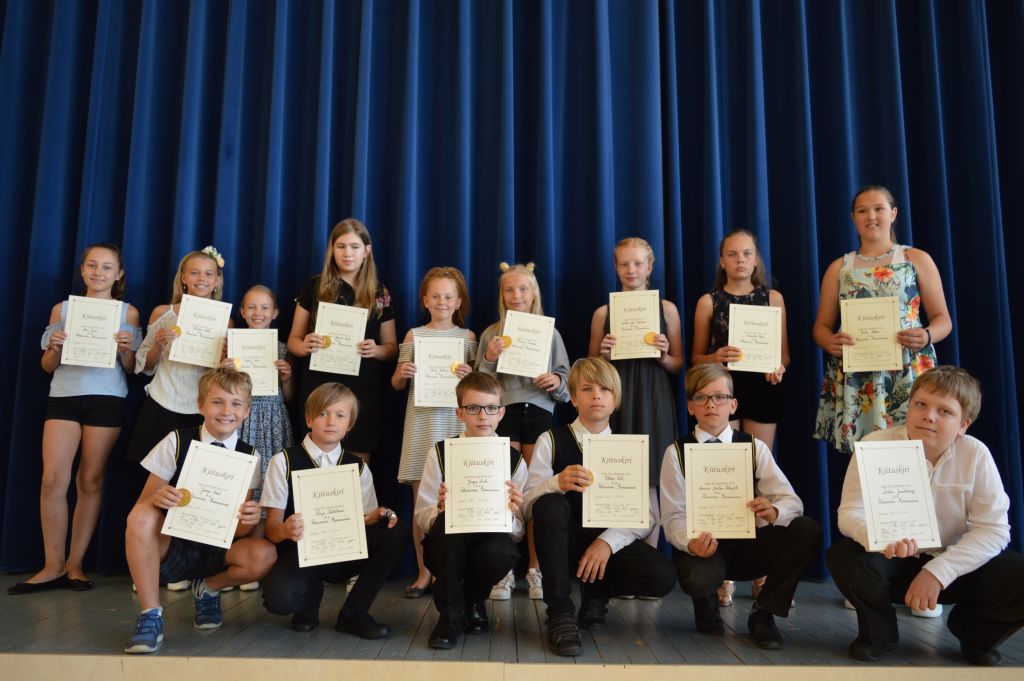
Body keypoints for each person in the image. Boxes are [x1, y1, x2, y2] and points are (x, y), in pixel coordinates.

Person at [828, 366, 1024, 665]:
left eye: (944, 411)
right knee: (844, 556)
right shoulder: (874, 445)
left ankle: (973, 632)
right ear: (909, 407)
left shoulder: (976, 455)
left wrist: (938, 572)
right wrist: (877, 538)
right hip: (893, 558)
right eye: (921, 404)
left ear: (963, 425)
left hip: (954, 566)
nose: (929, 416)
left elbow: (994, 530)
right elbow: (849, 512)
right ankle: (879, 633)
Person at [9, 244, 141, 595]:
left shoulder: (128, 313)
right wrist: (53, 347)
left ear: (119, 273)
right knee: (52, 479)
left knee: (90, 480)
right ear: (82, 270)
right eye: (92, 265)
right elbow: (46, 366)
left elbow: (131, 369)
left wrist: (125, 350)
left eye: (107, 267)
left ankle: (75, 565)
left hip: (107, 399)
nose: (99, 272)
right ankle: (52, 565)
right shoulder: (63, 308)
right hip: (64, 397)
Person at [660, 363, 821, 650]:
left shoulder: (754, 447)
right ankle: (706, 603)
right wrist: (691, 543)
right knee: (698, 577)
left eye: (720, 397)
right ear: (690, 407)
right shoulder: (676, 453)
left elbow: (791, 501)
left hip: (747, 546)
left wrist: (775, 511)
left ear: (733, 405)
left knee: (807, 530)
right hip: (703, 548)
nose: (711, 404)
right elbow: (672, 517)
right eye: (701, 397)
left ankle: (764, 613)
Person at [523, 357, 676, 657]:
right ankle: (560, 613)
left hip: (606, 545)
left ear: (615, 399)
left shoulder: (629, 448)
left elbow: (646, 516)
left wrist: (607, 542)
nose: (596, 395)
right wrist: (555, 483)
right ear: (573, 398)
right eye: (587, 389)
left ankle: (597, 591)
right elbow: (527, 507)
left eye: (605, 389)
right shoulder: (550, 440)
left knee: (662, 575)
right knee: (548, 504)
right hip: (562, 544)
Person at [123, 367, 276, 653]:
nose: (226, 411)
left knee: (263, 553)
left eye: (236, 403)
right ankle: (150, 614)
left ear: (247, 411)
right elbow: (141, 506)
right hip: (173, 545)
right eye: (217, 402)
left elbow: (239, 531)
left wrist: (250, 517)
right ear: (200, 405)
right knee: (141, 516)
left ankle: (208, 588)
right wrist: (159, 497)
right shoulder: (176, 440)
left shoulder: (250, 455)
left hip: (218, 549)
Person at [690, 229, 790, 605]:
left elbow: (785, 355)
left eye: (746, 253)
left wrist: (778, 367)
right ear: (722, 261)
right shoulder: (708, 302)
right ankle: (726, 572)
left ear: (755, 258)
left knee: (759, 481)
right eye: (732, 254)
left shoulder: (773, 298)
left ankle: (761, 572)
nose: (740, 260)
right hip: (722, 393)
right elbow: (695, 358)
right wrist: (715, 357)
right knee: (723, 481)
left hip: (763, 390)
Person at [261, 383, 407, 637]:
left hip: (342, 553)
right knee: (279, 600)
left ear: (350, 424)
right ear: (308, 419)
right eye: (323, 413)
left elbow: (363, 521)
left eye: (340, 415)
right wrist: (285, 530)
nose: (331, 422)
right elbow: (271, 530)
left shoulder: (358, 467)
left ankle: (354, 614)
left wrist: (377, 516)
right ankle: (310, 596)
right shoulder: (283, 461)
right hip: (301, 554)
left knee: (395, 530)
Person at [813, 185, 951, 453]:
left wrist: (926, 335)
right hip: (857, 376)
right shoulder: (839, 268)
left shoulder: (915, 259)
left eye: (879, 209)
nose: (871, 216)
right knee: (866, 457)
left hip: (908, 371)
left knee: (915, 450)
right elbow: (821, 327)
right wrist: (829, 341)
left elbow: (943, 320)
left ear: (893, 213)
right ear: (853, 218)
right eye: (862, 211)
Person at [477, 262, 570, 601]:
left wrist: (555, 381)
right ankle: (503, 571)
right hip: (506, 413)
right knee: (504, 489)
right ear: (502, 296)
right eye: (509, 290)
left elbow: (566, 387)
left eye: (523, 289)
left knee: (535, 492)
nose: (516, 295)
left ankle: (535, 569)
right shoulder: (491, 334)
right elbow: (480, 383)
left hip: (540, 413)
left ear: (534, 295)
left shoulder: (551, 333)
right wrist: (490, 357)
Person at [414, 372, 526, 649]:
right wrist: (440, 508)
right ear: (459, 413)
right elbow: (422, 517)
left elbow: (518, 533)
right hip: (446, 544)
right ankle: (449, 619)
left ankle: (472, 600)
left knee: (502, 551)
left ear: (501, 413)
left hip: (488, 544)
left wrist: (512, 512)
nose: (483, 416)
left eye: (491, 408)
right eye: (473, 408)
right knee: (448, 527)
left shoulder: (514, 460)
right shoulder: (441, 452)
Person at [588, 237, 683, 549]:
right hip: (617, 398)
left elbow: (678, 364)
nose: (631, 269)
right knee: (618, 476)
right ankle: (618, 555)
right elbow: (590, 368)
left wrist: (664, 356)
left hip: (654, 397)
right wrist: (603, 355)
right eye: (624, 263)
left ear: (650, 267)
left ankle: (649, 558)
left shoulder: (667, 310)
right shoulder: (603, 313)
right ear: (616, 267)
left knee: (652, 477)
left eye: (638, 263)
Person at [392, 267, 478, 598]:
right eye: (436, 296)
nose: (442, 301)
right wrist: (403, 372)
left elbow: (479, 387)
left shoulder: (468, 338)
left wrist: (470, 374)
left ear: (458, 302)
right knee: (422, 505)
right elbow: (396, 384)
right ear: (425, 300)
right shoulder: (413, 335)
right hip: (421, 426)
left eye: (448, 296)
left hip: (455, 426)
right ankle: (424, 572)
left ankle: (450, 573)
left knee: (458, 501)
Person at [288, 218, 397, 461]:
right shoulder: (315, 287)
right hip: (319, 383)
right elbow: (293, 340)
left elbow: (392, 348)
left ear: (366, 251)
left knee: (357, 458)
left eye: (354, 247)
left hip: (362, 386)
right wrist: (304, 346)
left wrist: (376, 350)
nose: (348, 253)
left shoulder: (379, 292)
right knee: (314, 455)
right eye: (341, 246)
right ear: (332, 250)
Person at [126, 246, 229, 463]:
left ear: (217, 280)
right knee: (151, 475)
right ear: (183, 278)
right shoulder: (163, 313)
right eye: (194, 273)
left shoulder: (225, 321)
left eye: (208, 274)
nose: (201, 279)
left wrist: (221, 362)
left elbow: (220, 375)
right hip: (162, 402)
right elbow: (144, 367)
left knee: (189, 475)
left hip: (201, 410)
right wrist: (158, 345)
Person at [228, 284, 296, 591]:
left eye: (265, 307)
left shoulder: (281, 348)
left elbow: (290, 397)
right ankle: (232, 557)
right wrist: (223, 370)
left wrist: (287, 378)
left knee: (267, 487)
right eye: (252, 307)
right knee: (238, 487)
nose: (258, 313)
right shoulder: (230, 346)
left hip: (273, 423)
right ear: (242, 312)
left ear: (275, 313)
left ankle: (256, 559)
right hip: (240, 422)